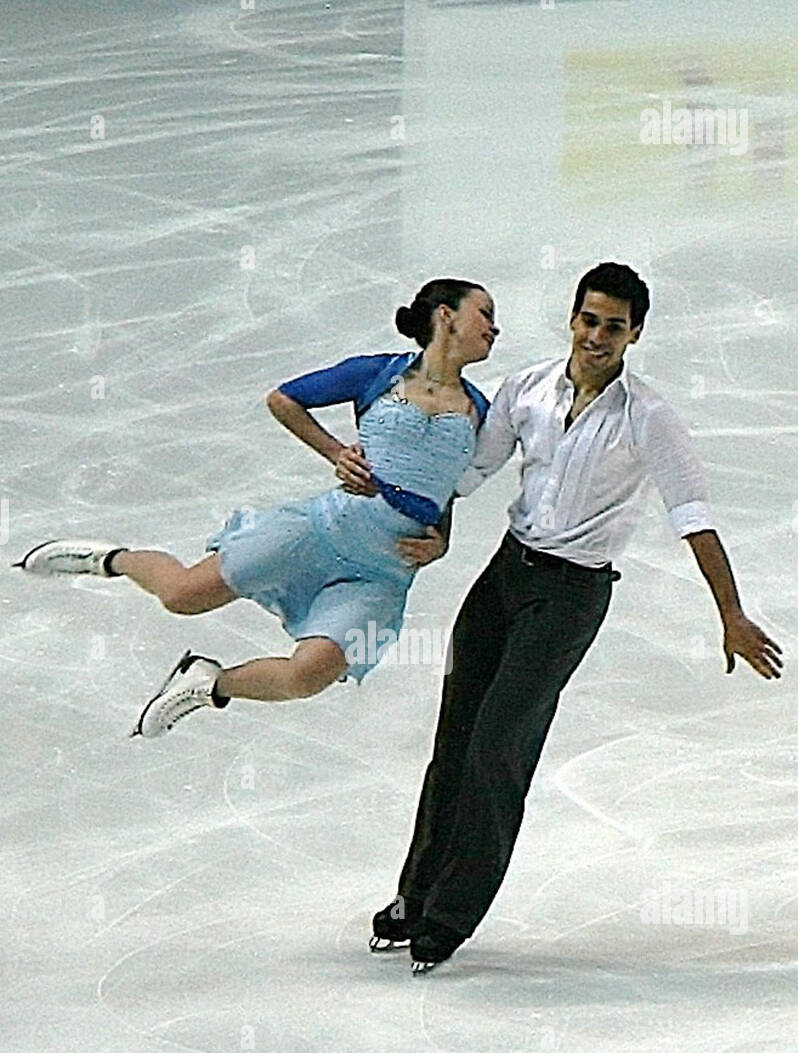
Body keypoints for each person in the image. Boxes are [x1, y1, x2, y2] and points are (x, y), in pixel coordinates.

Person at [370, 262, 783, 974]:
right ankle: (415, 896)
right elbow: (468, 474)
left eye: (614, 327)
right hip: (505, 576)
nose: (597, 337)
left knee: (499, 748)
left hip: (570, 598)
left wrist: (731, 612)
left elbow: (693, 516)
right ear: (572, 319)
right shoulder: (526, 389)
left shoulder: (646, 416)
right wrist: (408, 508)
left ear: (635, 334)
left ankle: (449, 917)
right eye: (589, 320)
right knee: (457, 736)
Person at [13, 279, 497, 734]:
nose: (493, 328)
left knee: (308, 676)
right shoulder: (377, 373)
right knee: (184, 595)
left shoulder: (480, 411)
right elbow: (284, 399)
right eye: (485, 314)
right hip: (320, 531)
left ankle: (208, 682)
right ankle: (109, 559)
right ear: (445, 316)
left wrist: (442, 541)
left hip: (382, 571)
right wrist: (336, 453)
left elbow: (453, 485)